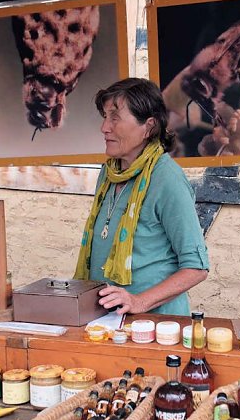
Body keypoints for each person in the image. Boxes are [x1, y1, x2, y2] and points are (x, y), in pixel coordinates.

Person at [74, 78, 209, 316]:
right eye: (105, 117)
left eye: (115, 118)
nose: (104, 127)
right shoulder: (109, 172)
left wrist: (139, 301)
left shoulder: (167, 178)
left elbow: (197, 267)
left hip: (155, 327)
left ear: (148, 126)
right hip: (109, 323)